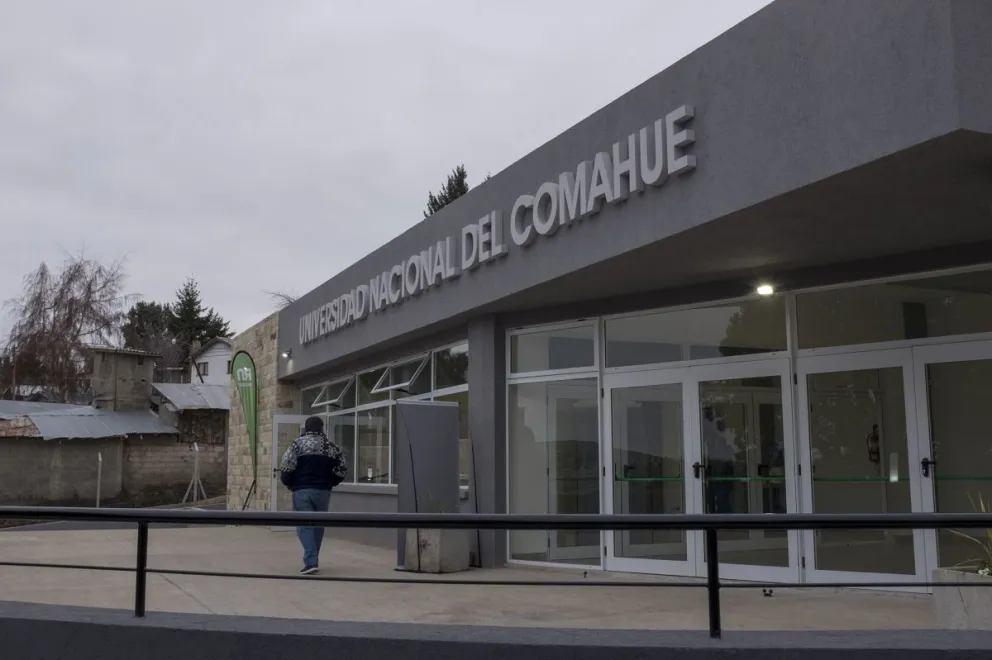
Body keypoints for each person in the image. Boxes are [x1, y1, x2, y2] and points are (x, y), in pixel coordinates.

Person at [279, 416, 347, 574]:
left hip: (302, 490)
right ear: (322, 428)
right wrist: (332, 481)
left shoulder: (297, 444)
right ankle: (313, 558)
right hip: (323, 491)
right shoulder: (332, 447)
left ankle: (311, 561)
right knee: (318, 524)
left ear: (306, 428)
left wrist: (289, 482)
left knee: (304, 525)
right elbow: (342, 469)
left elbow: (286, 466)